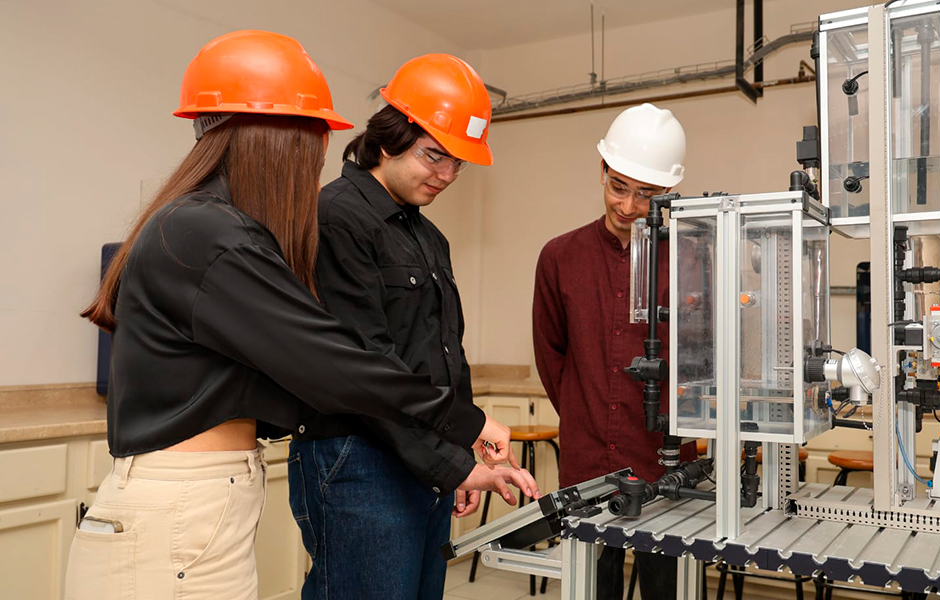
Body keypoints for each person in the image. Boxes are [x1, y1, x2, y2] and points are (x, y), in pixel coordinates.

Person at [65, 32, 514, 600]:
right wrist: (466, 426)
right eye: (313, 143)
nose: (318, 162)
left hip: (206, 503)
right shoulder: (207, 234)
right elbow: (336, 362)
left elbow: (306, 370)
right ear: (274, 140)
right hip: (179, 508)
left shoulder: (210, 229)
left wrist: (446, 459)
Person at [290, 53, 538, 600]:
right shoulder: (337, 218)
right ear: (387, 139)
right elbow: (366, 367)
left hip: (414, 457)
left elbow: (444, 353)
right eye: (434, 156)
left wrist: (455, 461)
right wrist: (452, 454)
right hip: (358, 460)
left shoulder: (427, 238)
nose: (446, 176)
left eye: (458, 163)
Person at [532, 103, 695, 600]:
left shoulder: (692, 258)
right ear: (602, 171)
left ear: (668, 191)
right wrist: (587, 415)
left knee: (667, 587)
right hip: (586, 462)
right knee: (591, 586)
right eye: (618, 186)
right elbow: (550, 356)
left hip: (664, 460)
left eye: (645, 194)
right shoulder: (560, 256)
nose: (626, 206)